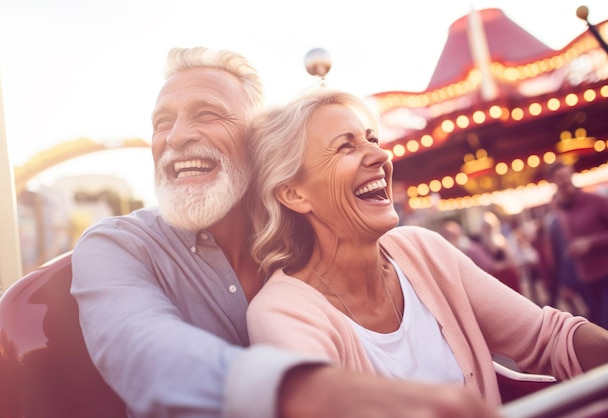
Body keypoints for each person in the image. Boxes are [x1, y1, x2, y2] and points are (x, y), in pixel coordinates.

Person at [70, 47, 500, 418]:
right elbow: (141, 350)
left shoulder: (312, 233)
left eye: (207, 114)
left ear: (257, 142)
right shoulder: (114, 247)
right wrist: (309, 391)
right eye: (162, 122)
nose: (177, 137)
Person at [246, 89, 608, 407]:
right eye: (345, 148)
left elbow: (549, 337)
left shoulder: (422, 250)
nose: (380, 156)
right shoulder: (282, 312)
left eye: (372, 140)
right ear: (294, 193)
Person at [547, 161, 608, 336]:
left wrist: (591, 242)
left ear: (571, 175)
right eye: (558, 178)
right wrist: (566, 283)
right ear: (552, 181)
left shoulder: (598, 201)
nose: (563, 181)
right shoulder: (559, 211)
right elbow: (561, 250)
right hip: (587, 279)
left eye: (565, 176)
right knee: (606, 326)